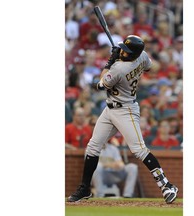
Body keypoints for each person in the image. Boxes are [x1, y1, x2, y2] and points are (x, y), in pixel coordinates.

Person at [67, 35, 178, 204]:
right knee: (93, 147)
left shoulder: (119, 68)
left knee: (139, 149)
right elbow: (148, 66)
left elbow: (100, 84)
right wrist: (123, 56)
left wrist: (110, 61)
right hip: (110, 109)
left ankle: (167, 185)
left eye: (126, 51)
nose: (123, 52)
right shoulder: (141, 56)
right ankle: (84, 188)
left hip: (126, 111)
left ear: (133, 54)